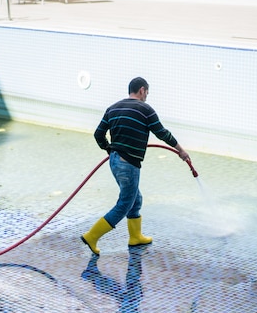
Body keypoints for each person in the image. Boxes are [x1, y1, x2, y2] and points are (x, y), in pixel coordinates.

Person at [81, 77, 191, 254]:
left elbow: (98, 134)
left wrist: (109, 149)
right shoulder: (145, 109)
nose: (147, 96)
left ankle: (135, 237)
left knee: (135, 198)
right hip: (128, 163)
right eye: (147, 92)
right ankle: (92, 236)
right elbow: (162, 133)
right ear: (142, 90)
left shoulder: (113, 108)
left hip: (115, 161)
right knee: (125, 203)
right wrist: (181, 150)